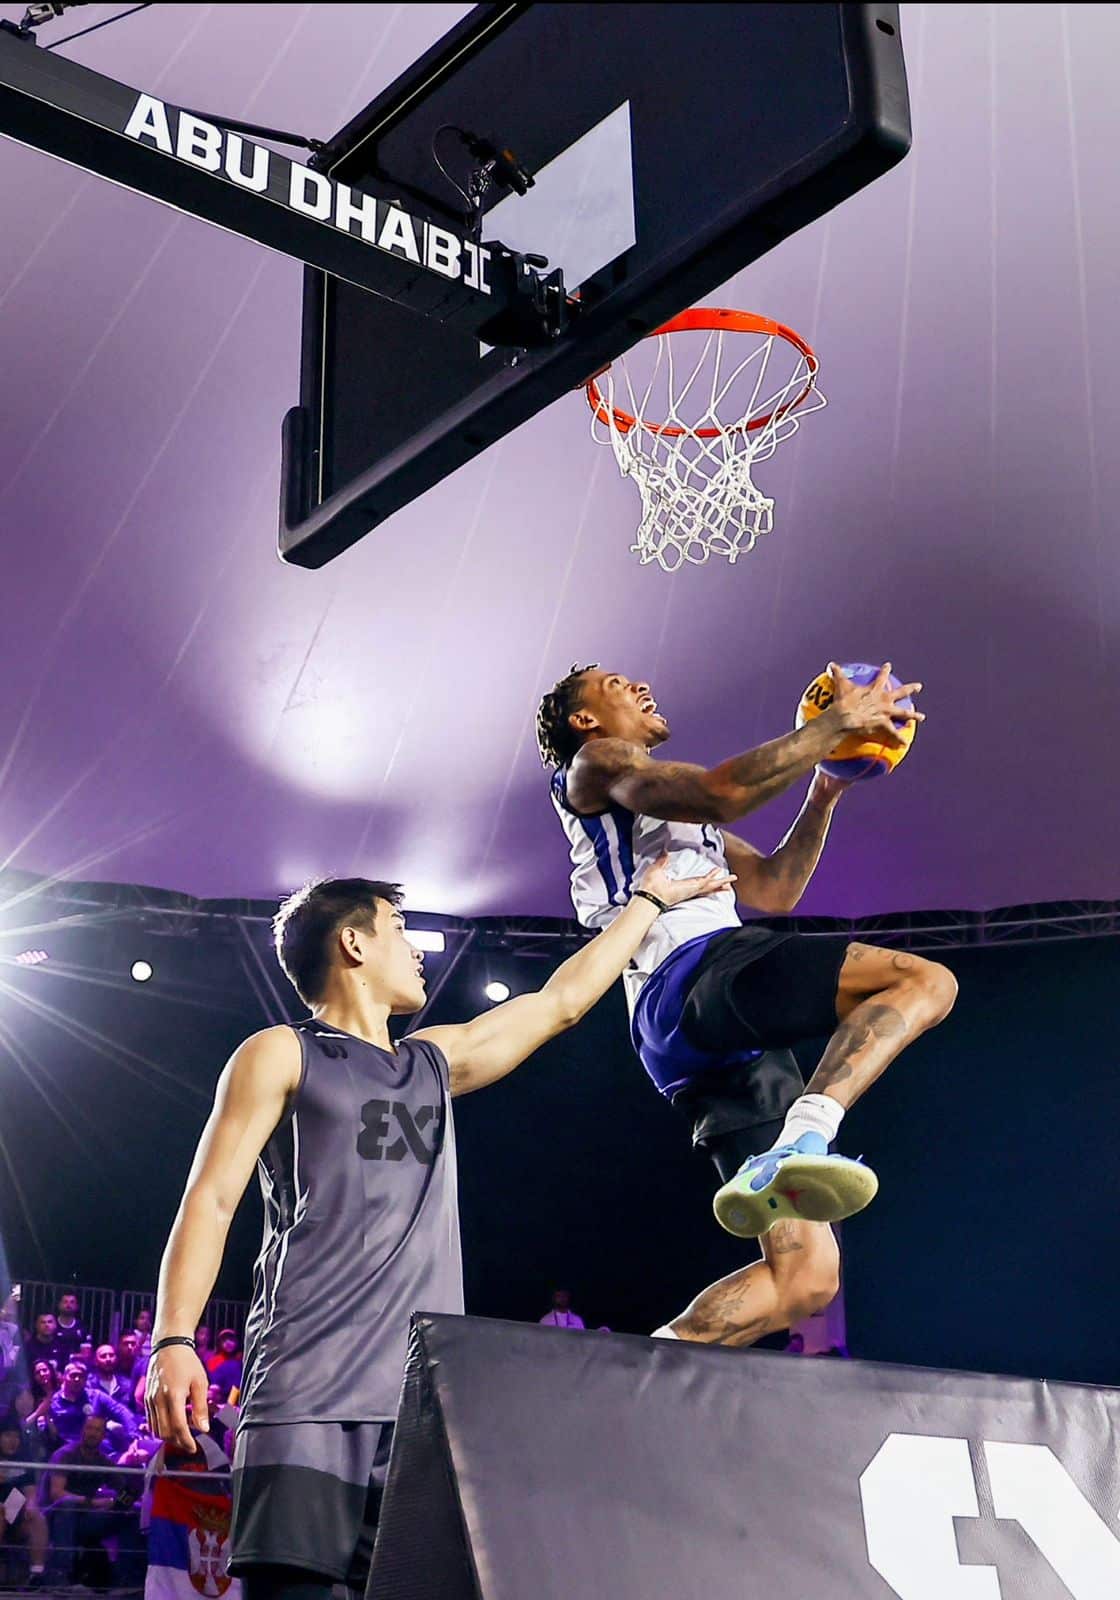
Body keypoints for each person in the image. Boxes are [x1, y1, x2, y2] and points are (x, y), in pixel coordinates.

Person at [145, 861, 728, 1600]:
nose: (416, 948)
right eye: (399, 929)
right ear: (353, 943)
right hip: (305, 1393)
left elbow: (560, 1003)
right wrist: (173, 1339)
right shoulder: (282, 1052)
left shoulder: (432, 1062)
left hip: (420, 1408)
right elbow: (212, 1199)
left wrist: (647, 900)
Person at [536, 662, 957, 1348]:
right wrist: (833, 726)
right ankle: (805, 1132)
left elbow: (775, 887)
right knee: (923, 982)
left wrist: (823, 791)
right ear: (585, 721)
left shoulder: (675, 820)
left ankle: (644, 1367)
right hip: (690, 973)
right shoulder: (598, 762)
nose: (639, 686)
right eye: (615, 685)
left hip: (692, 1035)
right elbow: (722, 791)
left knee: (806, 1280)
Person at [41, 1414, 143, 1589]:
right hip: (53, 1516)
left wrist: (127, 1499)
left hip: (86, 1519)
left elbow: (125, 1490)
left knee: (133, 1512)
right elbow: (57, 1494)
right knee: (68, 1505)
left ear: (103, 1435)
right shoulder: (65, 1454)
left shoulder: (103, 1461)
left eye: (97, 1430)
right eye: (89, 1428)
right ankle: (59, 1577)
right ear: (82, 1430)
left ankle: (126, 1579)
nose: (92, 1433)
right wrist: (95, 1503)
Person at [41, 1361, 136, 1450]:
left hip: (98, 1447)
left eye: (81, 1376)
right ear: (64, 1378)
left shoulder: (97, 1396)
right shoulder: (53, 1402)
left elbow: (122, 1412)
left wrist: (134, 1436)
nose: (77, 1379)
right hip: (68, 1450)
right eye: (73, 1376)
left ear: (86, 1379)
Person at [0, 1414, 48, 1588]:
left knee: (37, 1517)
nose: (13, 1441)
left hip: (13, 1509)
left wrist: (31, 1504)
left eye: (16, 1437)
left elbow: (30, 1492)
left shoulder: (23, 1460)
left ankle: (36, 1574)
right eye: (7, 1436)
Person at [88, 1344, 134, 1408]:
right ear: (95, 1361)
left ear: (116, 1358)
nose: (108, 1359)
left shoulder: (127, 1385)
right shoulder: (88, 1385)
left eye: (111, 1355)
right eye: (103, 1356)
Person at [52, 1295, 87, 1365]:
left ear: (77, 1306)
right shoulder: (51, 1324)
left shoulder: (81, 1327)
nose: (68, 1305)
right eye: (65, 1302)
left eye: (72, 1302)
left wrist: (69, 1357)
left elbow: (86, 1354)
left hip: (75, 1365)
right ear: (59, 1305)